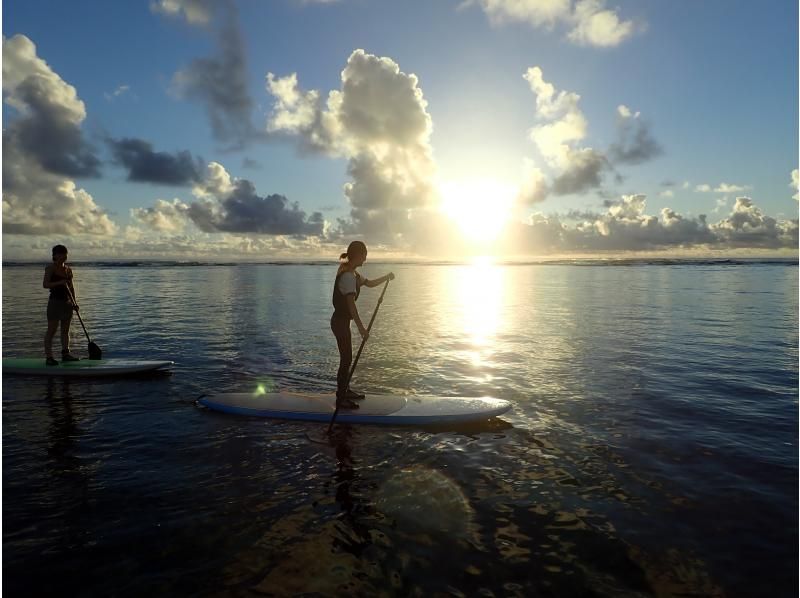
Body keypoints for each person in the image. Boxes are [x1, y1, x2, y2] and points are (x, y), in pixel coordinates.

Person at [331, 241, 395, 409]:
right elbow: (351, 306)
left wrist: (386, 277)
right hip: (339, 323)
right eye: (364, 255)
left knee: (347, 358)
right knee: (346, 360)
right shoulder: (347, 277)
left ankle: (345, 391)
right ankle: (341, 398)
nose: (365, 259)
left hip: (342, 322)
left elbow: (371, 283)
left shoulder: (354, 275)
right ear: (358, 255)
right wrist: (361, 328)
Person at [43, 245, 80, 365]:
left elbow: (71, 287)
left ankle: (66, 354)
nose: (63, 256)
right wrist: (60, 282)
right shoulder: (50, 268)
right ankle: (49, 358)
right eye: (60, 254)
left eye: (65, 254)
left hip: (67, 303)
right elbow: (45, 284)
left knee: (65, 331)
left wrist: (74, 302)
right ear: (54, 255)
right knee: (51, 331)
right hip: (54, 303)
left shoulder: (68, 269)